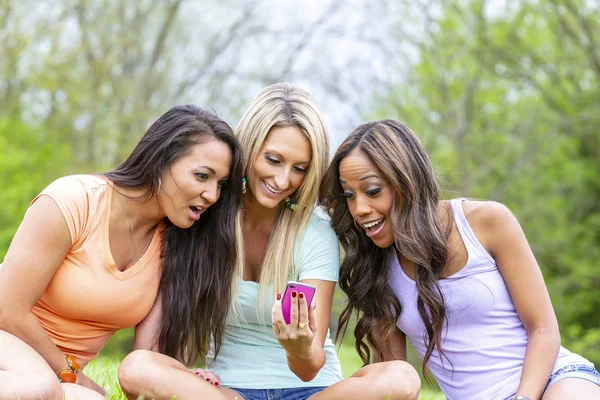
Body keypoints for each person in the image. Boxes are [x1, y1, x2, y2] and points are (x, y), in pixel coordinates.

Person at [118, 83, 420, 400]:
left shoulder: (314, 230)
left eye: (299, 169)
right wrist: (181, 373)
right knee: (137, 367)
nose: (282, 180)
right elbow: (157, 348)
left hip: (312, 392)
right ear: (249, 147)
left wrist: (299, 347)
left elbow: (309, 367)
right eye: (273, 159)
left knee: (400, 378)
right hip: (227, 393)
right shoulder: (204, 216)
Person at [319, 119, 600, 400]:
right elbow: (392, 380)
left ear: (407, 181)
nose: (359, 209)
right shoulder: (377, 267)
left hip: (554, 381)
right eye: (348, 195)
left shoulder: (486, 222)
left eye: (372, 191)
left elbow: (543, 328)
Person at [0, 105, 243, 400]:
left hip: (57, 379)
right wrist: (71, 374)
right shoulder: (73, 201)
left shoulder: (175, 247)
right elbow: (8, 310)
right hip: (12, 345)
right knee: (37, 387)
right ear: (161, 160)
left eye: (221, 184)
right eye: (202, 176)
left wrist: (180, 378)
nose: (213, 195)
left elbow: (146, 363)